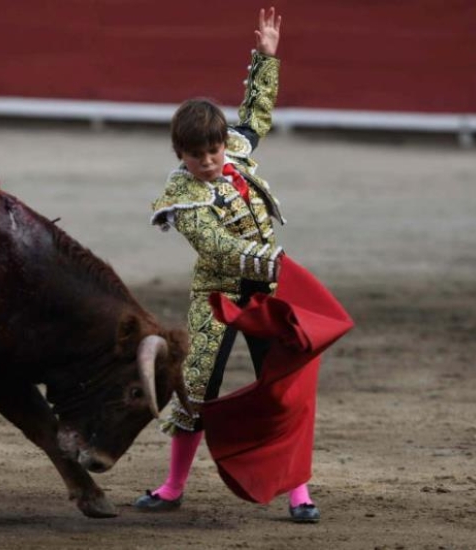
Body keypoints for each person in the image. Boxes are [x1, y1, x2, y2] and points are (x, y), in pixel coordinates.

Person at [135, 7, 320, 523]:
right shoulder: (181, 194)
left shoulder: (233, 151)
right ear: (182, 155)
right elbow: (215, 246)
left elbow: (256, 115)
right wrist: (273, 258)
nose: (211, 162)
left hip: (266, 294)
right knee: (195, 389)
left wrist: (266, 58)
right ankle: (172, 487)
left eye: (215, 151)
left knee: (282, 390)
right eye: (199, 156)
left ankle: (298, 493)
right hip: (217, 296)